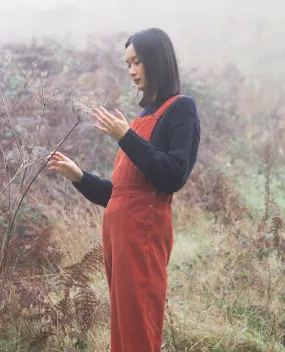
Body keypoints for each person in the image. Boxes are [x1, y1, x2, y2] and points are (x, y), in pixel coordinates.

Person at [48, 28, 200, 352]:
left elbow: (172, 176)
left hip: (142, 234)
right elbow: (119, 194)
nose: (131, 70)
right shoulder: (142, 115)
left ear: (156, 60)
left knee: (138, 327)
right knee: (124, 326)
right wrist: (79, 177)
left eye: (137, 62)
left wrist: (126, 137)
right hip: (119, 236)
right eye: (127, 64)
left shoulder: (181, 108)